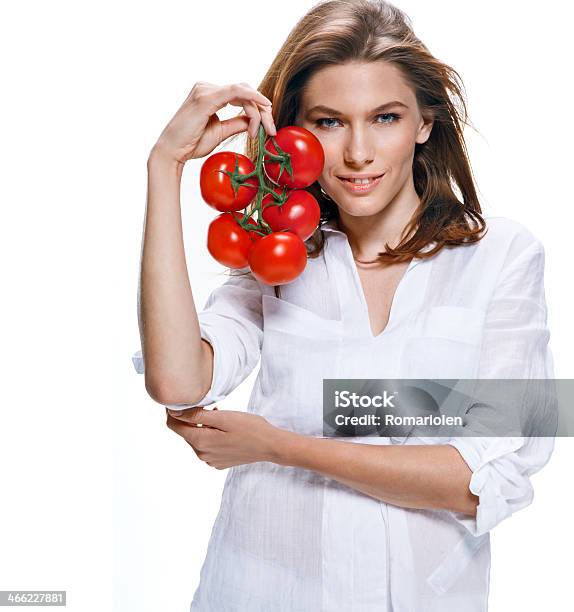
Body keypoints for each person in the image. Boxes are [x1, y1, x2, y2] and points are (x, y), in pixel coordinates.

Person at [132, 0, 555, 609]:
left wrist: (279, 445)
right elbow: (177, 381)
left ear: (425, 122)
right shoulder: (276, 260)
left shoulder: (505, 257)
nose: (358, 152)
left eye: (385, 117)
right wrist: (164, 166)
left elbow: (482, 478)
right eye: (329, 122)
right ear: (296, 133)